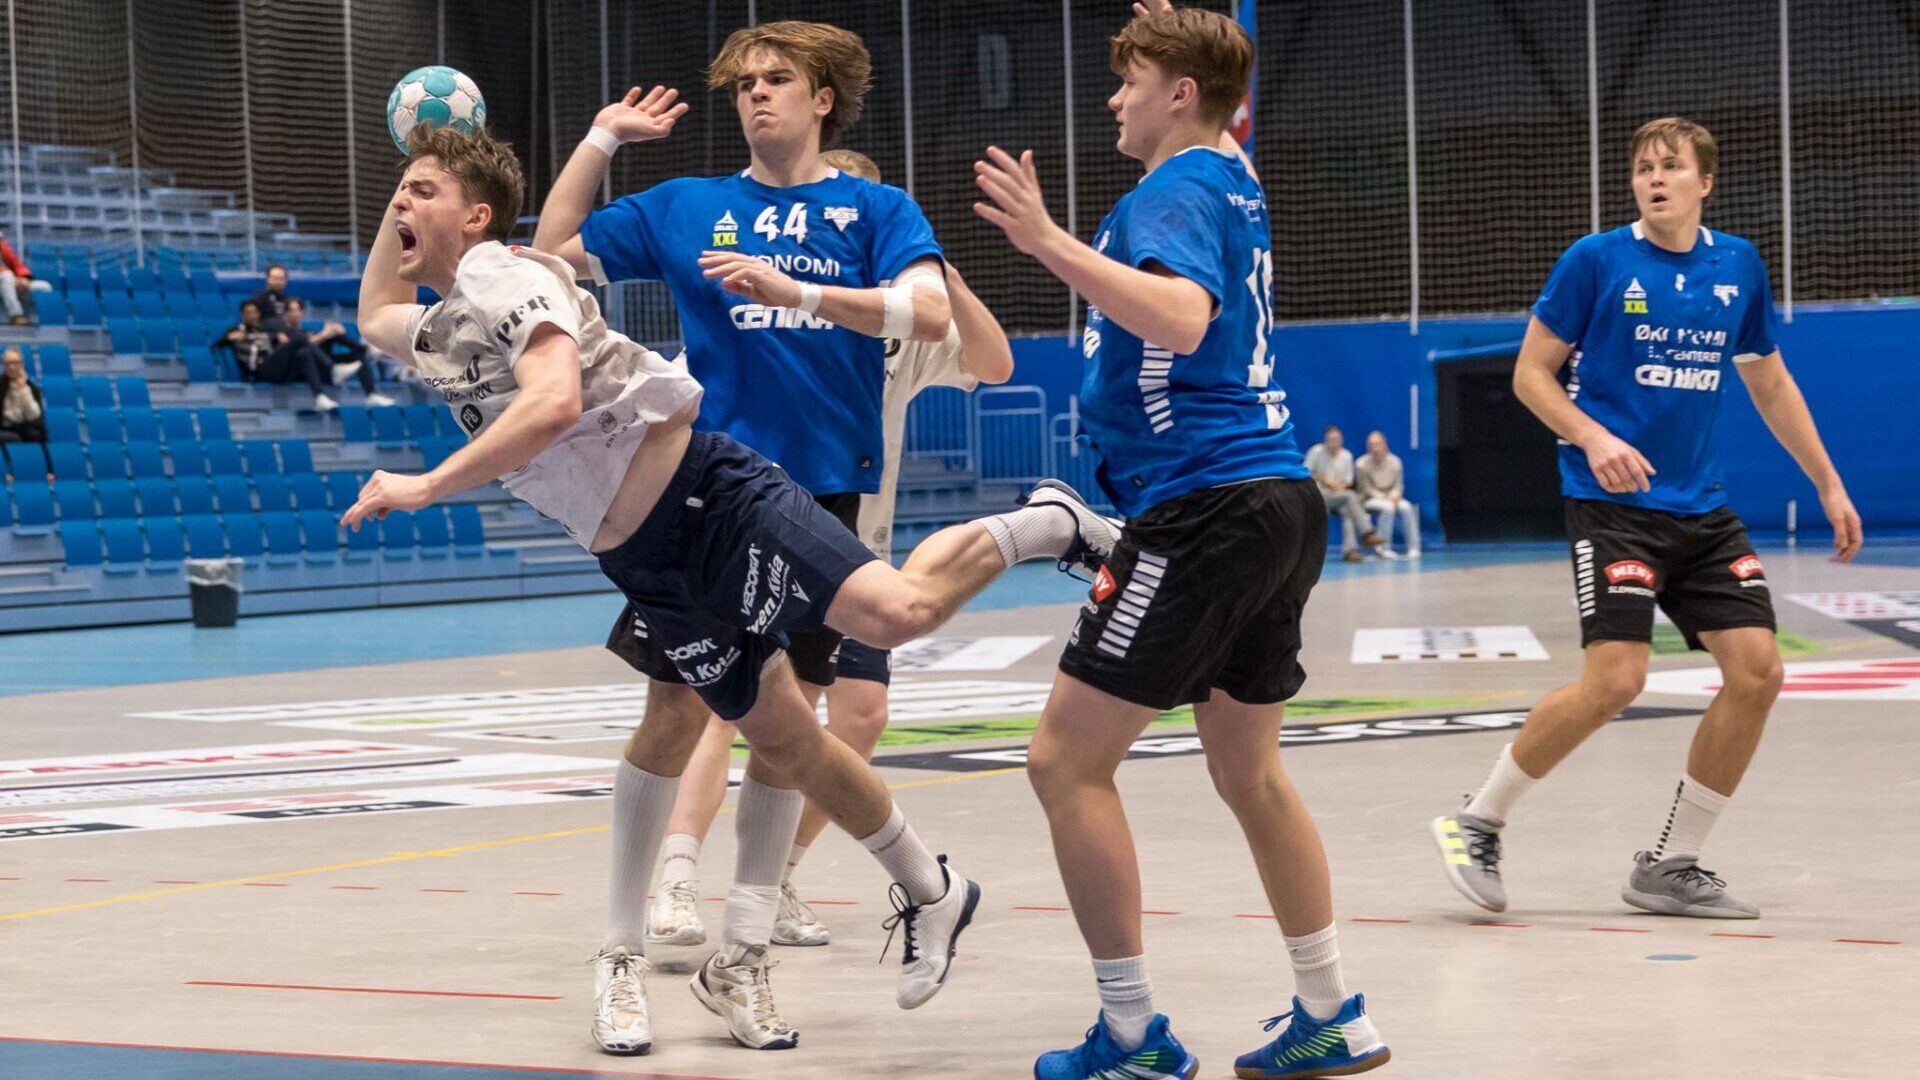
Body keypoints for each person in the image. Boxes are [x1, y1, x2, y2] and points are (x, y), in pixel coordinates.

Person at [348, 124, 1123, 1058]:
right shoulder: (444, 327)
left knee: (896, 615)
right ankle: (927, 889)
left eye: (423, 190)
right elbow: (376, 312)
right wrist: (399, 213)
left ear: (476, 216)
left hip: (713, 497)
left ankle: (1048, 521)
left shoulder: (501, 276)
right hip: (646, 559)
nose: (402, 201)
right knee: (786, 737)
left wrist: (426, 485)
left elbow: (554, 400)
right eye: (400, 190)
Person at [970, 7, 1389, 1078]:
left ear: (1182, 96)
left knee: (1065, 763)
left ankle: (1130, 1038)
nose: (1115, 99)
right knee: (1250, 774)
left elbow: (1183, 317)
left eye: (1132, 80)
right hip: (1273, 499)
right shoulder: (1232, 175)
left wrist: (1047, 241)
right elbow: (1221, 103)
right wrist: (1192, 36)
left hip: (1205, 505)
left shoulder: (1179, 186)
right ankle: (1331, 1010)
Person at [532, 21, 961, 1052]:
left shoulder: (875, 208)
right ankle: (621, 951)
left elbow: (930, 312)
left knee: (786, 730)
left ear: (824, 99)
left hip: (823, 494)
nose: (758, 95)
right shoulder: (688, 206)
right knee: (674, 713)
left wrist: (797, 291)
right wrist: (602, 138)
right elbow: (551, 256)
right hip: (699, 495)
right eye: (744, 84)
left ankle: (746, 955)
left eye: (778, 80)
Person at [1430, 117, 1862, 922]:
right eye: (1641, 167)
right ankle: (1477, 820)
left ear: (1706, 182)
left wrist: (1828, 483)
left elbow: (1770, 382)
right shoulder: (1595, 261)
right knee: (1617, 680)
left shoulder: (1738, 266)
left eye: (1670, 166)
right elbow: (1531, 375)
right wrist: (1593, 437)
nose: (1653, 178)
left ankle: (1671, 863)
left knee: (1759, 672)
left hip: (1701, 507)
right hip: (1613, 507)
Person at [630, 147, 1013, 956]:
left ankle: (776, 877)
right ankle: (676, 875)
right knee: (724, 708)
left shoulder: (898, 329)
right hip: (743, 529)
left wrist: (933, 269)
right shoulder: (757, 310)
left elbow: (994, 361)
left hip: (852, 548)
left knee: (857, 714)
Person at [283, 298, 395, 406]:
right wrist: (324, 334)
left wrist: (332, 332)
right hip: (301, 370)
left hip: (321, 367)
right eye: (292, 310)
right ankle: (364, 351)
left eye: (298, 310)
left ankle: (371, 394)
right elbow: (297, 346)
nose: (296, 313)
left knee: (355, 354)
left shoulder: (304, 331)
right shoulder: (282, 331)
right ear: (285, 313)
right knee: (309, 347)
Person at [1306, 425, 1386, 561]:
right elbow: (1306, 473)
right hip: (1319, 495)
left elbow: (1348, 481)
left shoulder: (1346, 456)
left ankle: (1350, 551)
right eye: (1331, 439)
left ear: (1341, 439)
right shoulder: (1316, 452)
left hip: (1339, 496)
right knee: (1350, 496)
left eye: (1337, 439)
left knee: (1348, 511)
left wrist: (1338, 486)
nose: (1334, 442)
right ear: (1325, 440)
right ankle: (1367, 533)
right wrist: (1323, 480)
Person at [1356, 430, 1418, 558]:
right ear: (1368, 447)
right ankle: (1383, 548)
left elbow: (1398, 484)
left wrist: (1394, 495)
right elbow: (1366, 489)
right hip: (1369, 499)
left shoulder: (1395, 461)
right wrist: (1384, 497)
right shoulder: (1361, 464)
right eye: (1372, 445)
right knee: (1388, 508)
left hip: (1393, 497)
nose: (1375, 448)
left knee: (1407, 507)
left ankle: (1414, 547)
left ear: (1384, 445)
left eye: (1378, 444)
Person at [0, 347, 45, 444]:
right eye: (8, 363)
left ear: (21, 364)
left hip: (25, 427)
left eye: (15, 363)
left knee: (36, 434)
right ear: (4, 366)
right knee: (13, 438)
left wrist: (22, 390)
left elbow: (34, 416)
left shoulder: (31, 388)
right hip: (4, 427)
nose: (12, 367)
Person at [0, 234, 41, 326]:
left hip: (9, 281)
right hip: (6, 278)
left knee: (43, 286)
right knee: (7, 276)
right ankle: (16, 315)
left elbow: (17, 265)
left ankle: (42, 321)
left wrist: (24, 278)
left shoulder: (3, 247)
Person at [247, 264, 293, 330]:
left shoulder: (287, 300)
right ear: (267, 279)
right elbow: (251, 322)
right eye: (275, 279)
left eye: (281, 279)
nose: (278, 282)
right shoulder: (258, 298)